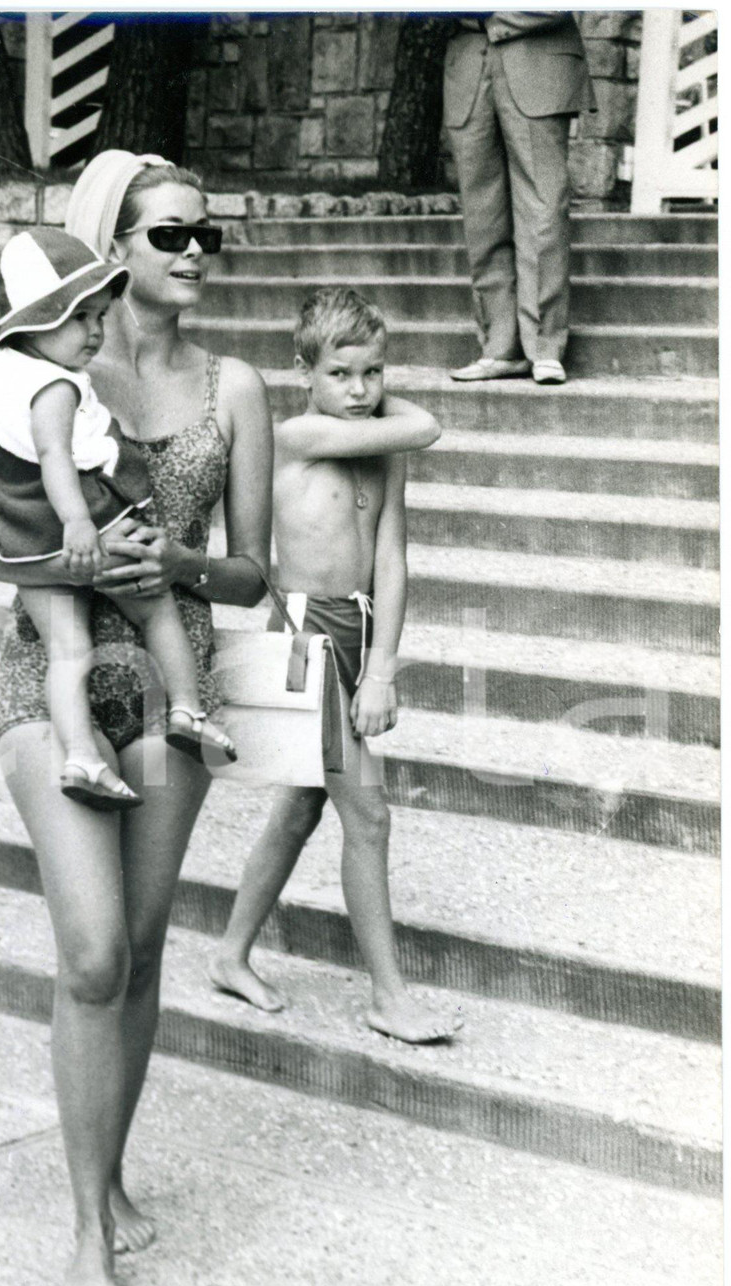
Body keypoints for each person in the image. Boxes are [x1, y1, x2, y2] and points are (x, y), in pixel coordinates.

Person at [0, 150, 272, 1286]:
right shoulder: (35, 373)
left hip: (174, 668)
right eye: (171, 234)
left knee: (137, 943)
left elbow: (249, 574)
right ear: (113, 247)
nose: (193, 255)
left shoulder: (234, 389)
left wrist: (169, 557)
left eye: (204, 236)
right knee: (89, 953)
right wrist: (63, 553)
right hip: (53, 666)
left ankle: (110, 1174)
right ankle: (85, 1229)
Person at [209, 288, 464, 1044]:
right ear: (305, 374)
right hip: (299, 636)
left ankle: (229, 953)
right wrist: (390, 413)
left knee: (301, 806)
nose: (361, 391)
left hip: (354, 635)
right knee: (369, 811)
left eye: (374, 373)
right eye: (343, 374)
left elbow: (392, 556)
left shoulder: (381, 450)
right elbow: (430, 423)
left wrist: (383, 663)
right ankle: (389, 995)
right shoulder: (296, 434)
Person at [0, 226, 235, 811]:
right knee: (157, 605)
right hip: (83, 529)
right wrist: (79, 523)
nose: (93, 331)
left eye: (98, 316)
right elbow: (58, 456)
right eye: (77, 318)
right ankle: (188, 710)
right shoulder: (57, 387)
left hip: (23, 542)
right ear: (34, 323)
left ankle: (81, 756)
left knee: (68, 647)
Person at [443, 12, 596, 385]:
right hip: (468, 60)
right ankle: (499, 346)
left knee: (541, 206)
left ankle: (544, 347)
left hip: (537, 56)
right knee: (482, 213)